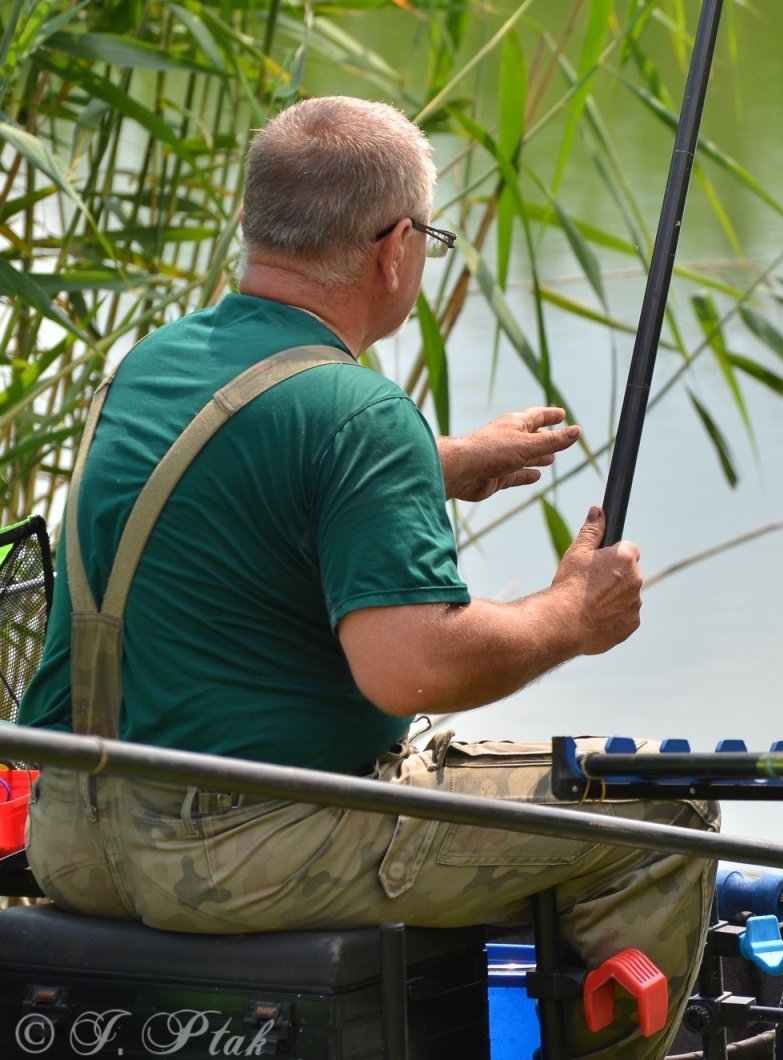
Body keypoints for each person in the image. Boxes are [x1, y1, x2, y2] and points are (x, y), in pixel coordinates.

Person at [19, 96, 716, 1060]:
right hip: (228, 858)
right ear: (396, 249)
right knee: (664, 806)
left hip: (72, 836)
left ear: (254, 223)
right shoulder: (360, 413)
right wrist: (570, 615)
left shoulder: (150, 366)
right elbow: (410, 669)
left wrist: (443, 461)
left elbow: (241, 468)